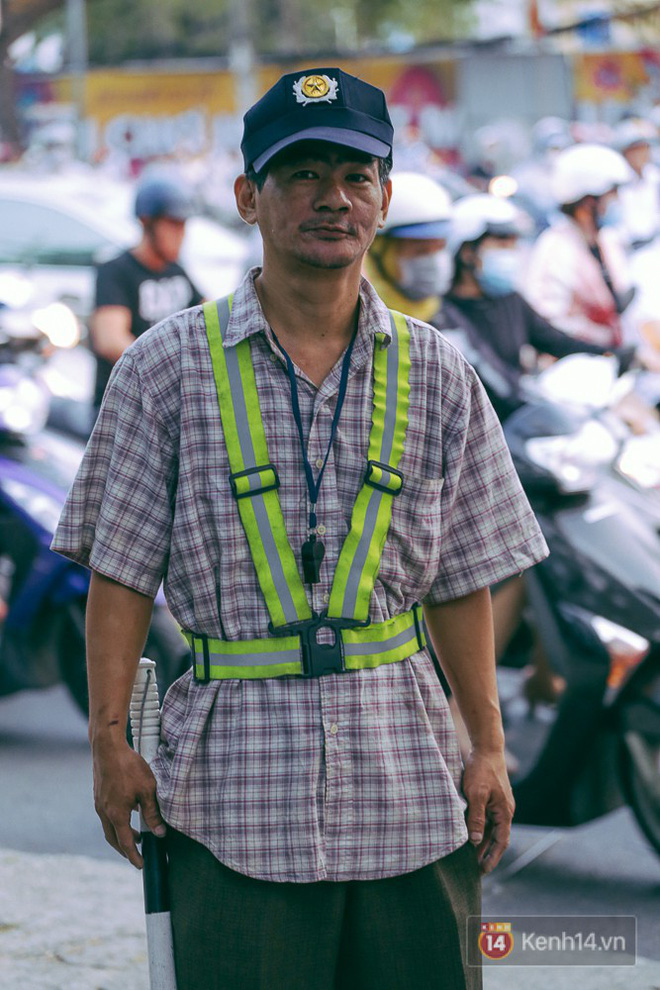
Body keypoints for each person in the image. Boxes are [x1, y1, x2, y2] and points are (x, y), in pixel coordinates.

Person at [52, 66, 549, 989]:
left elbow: (462, 578)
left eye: (357, 176)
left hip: (412, 790)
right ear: (249, 197)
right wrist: (110, 745)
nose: (334, 199)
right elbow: (119, 574)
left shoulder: (440, 374)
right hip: (234, 800)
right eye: (303, 174)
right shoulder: (165, 372)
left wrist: (486, 745)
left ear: (385, 199)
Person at [442, 193, 634, 420]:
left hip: (519, 413)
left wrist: (609, 353)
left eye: (514, 243)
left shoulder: (510, 300)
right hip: (481, 424)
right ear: (467, 253)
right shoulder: (446, 314)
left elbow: (554, 340)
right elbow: (488, 377)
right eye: (502, 243)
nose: (511, 253)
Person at [90, 176, 203, 410]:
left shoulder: (176, 270)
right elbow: (110, 341)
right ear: (146, 222)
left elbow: (209, 314)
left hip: (169, 405)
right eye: (172, 224)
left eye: (183, 225)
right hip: (124, 407)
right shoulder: (116, 271)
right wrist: (171, 371)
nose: (181, 233)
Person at [524, 143, 634, 349]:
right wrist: (600, 343)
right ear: (587, 203)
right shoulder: (555, 248)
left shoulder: (607, 240)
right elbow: (549, 321)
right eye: (612, 195)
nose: (618, 202)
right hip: (580, 364)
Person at [364, 170, 454, 323]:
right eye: (420, 250)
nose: (434, 262)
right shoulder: (362, 321)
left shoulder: (448, 316)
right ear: (379, 250)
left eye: (440, 247)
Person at [612, 117, 660, 249]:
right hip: (630, 249)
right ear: (625, 152)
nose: (642, 154)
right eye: (635, 149)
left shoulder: (655, 176)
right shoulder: (617, 181)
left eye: (644, 148)